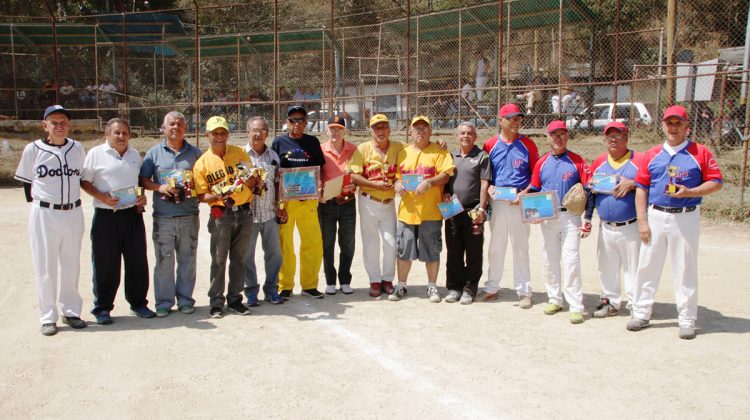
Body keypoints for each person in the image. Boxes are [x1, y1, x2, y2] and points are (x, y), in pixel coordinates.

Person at [627, 105, 723, 340]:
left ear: (687, 126)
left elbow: (716, 182)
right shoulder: (652, 154)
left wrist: (691, 191)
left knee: (685, 268)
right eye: (669, 122)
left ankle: (687, 319)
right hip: (656, 214)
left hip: (686, 214)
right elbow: (641, 188)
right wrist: (642, 221)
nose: (673, 127)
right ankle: (641, 312)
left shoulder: (700, 152)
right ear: (663, 125)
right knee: (647, 265)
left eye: (678, 123)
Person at [15, 105, 87, 336]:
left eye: (63, 121)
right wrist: (41, 204)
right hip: (45, 212)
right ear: (44, 124)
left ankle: (71, 311)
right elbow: (27, 183)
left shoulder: (77, 148)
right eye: (54, 122)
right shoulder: (33, 149)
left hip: (74, 212)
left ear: (69, 125)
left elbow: (82, 179)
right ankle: (47, 316)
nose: (59, 126)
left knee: (71, 264)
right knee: (45, 266)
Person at [80, 118, 155, 324]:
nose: (121, 136)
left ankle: (138, 303)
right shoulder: (96, 154)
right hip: (106, 217)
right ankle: (102, 307)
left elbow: (139, 181)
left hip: (132, 216)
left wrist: (141, 198)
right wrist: (102, 197)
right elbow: (84, 181)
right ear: (107, 134)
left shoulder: (134, 155)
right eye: (117, 133)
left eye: (125, 133)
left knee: (137, 262)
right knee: (106, 263)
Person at [139, 111, 203, 317]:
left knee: (188, 259)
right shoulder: (153, 153)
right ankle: (164, 302)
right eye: (171, 124)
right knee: (164, 260)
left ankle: (185, 300)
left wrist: (194, 185)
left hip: (189, 215)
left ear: (186, 128)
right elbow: (144, 180)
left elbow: (203, 182)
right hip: (164, 217)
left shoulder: (195, 154)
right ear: (164, 128)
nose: (176, 127)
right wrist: (159, 187)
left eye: (180, 124)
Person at [529, 120, 591, 324]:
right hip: (548, 215)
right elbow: (535, 189)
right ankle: (555, 299)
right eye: (554, 134)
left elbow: (588, 188)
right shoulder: (542, 162)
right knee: (549, 258)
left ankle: (575, 305)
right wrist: (534, 212)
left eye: (562, 134)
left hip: (570, 216)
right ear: (547, 137)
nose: (558, 138)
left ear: (567, 136)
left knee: (571, 259)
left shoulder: (577, 160)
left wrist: (587, 217)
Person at [193, 116, 256, 318]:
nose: (219, 136)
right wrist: (217, 195)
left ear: (227, 134)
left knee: (239, 258)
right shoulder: (202, 163)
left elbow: (252, 180)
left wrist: (248, 178)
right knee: (219, 260)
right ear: (207, 135)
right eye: (215, 133)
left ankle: (235, 299)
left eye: (223, 132)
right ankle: (216, 301)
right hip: (221, 215)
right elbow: (201, 195)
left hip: (244, 212)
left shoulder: (239, 153)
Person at [479, 104, 539, 308]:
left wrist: (524, 194)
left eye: (518, 118)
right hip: (499, 200)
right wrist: (489, 190)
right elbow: (485, 176)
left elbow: (536, 177)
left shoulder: (528, 144)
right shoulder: (490, 145)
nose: (516, 122)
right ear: (500, 120)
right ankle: (492, 287)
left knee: (521, 247)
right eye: (511, 118)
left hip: (519, 199)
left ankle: (524, 291)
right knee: (496, 245)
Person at [390, 116, 455, 302]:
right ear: (410, 131)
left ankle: (432, 286)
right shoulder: (403, 152)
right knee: (403, 250)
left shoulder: (439, 151)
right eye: (416, 128)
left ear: (431, 131)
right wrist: (398, 184)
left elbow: (446, 175)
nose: (420, 131)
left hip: (431, 212)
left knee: (432, 251)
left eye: (424, 128)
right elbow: (398, 177)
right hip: (407, 212)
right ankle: (401, 285)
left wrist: (430, 182)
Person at [583, 121, 641, 318]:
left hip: (631, 225)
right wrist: (588, 214)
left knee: (633, 267)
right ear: (604, 139)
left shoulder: (638, 160)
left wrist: (634, 183)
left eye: (619, 135)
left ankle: (636, 306)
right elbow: (590, 189)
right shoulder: (599, 161)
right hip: (606, 225)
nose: (614, 139)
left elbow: (653, 182)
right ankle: (610, 302)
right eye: (610, 136)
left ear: (627, 138)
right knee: (606, 266)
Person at [271, 105, 326, 300]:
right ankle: (285, 285)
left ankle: (309, 285)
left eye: (301, 120)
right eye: (293, 120)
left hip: (308, 201)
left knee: (312, 243)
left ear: (306, 122)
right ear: (286, 122)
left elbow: (321, 167)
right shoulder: (278, 142)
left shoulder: (312, 142)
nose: (297, 123)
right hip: (287, 202)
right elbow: (272, 170)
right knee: (285, 244)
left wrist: (320, 186)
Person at [349, 114, 402, 298]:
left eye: (383, 127)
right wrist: (375, 185)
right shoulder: (363, 149)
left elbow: (413, 159)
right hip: (368, 200)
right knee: (371, 243)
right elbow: (354, 176)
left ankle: (387, 279)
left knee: (390, 243)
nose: (380, 131)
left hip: (388, 203)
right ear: (371, 130)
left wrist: (440, 144)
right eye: (376, 128)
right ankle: (374, 280)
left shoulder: (398, 147)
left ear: (389, 129)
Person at [442, 122, 489, 304]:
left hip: (473, 210)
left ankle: (470, 288)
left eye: (469, 133)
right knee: (453, 251)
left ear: (475, 137)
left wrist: (482, 209)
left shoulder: (482, 157)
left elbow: (484, 184)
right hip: (453, 210)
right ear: (457, 136)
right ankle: (454, 287)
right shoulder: (450, 156)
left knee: (473, 252)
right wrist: (446, 192)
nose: (465, 136)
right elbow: (446, 180)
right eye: (462, 133)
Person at [243, 116, 284, 306]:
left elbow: (279, 184)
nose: (258, 134)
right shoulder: (240, 155)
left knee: (274, 254)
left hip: (269, 214)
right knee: (246, 256)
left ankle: (272, 289)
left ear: (268, 133)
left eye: (263, 131)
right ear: (248, 132)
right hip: (247, 215)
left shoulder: (274, 156)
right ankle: (251, 292)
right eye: (255, 130)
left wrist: (280, 207)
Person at [317, 115, 358, 295]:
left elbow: (359, 174)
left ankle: (345, 279)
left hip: (348, 201)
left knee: (347, 242)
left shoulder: (354, 149)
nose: (335, 132)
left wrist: (354, 185)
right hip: (327, 203)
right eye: (332, 128)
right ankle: (330, 281)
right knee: (328, 242)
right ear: (327, 130)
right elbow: (315, 175)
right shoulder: (320, 150)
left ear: (345, 131)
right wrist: (318, 192)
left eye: (339, 128)